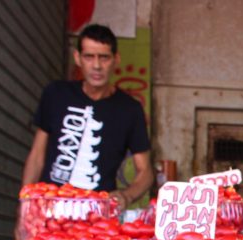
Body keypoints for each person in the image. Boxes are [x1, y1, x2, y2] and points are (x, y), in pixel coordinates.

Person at [21, 24, 153, 210]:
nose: (97, 65)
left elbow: (146, 172)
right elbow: (36, 157)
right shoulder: (56, 94)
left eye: (104, 57)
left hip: (98, 217)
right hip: (48, 209)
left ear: (116, 60)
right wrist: (25, 207)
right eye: (89, 57)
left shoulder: (130, 109)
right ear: (77, 58)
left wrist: (126, 196)